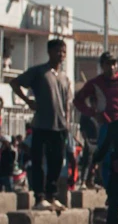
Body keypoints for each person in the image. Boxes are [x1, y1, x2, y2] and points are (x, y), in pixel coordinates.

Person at [8, 36, 74, 208]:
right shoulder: (39, 72)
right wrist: (28, 101)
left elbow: (67, 103)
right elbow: (15, 83)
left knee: (56, 163)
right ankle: (39, 197)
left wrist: (67, 124)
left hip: (60, 127)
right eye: (58, 50)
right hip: (41, 125)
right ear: (49, 52)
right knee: (38, 162)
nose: (61, 54)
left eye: (64, 51)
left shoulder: (65, 78)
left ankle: (52, 196)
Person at [76, 52, 118, 183]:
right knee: (106, 159)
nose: (111, 67)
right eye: (108, 63)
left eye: (113, 63)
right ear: (102, 65)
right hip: (106, 125)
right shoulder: (95, 83)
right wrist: (93, 113)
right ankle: (109, 189)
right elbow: (78, 100)